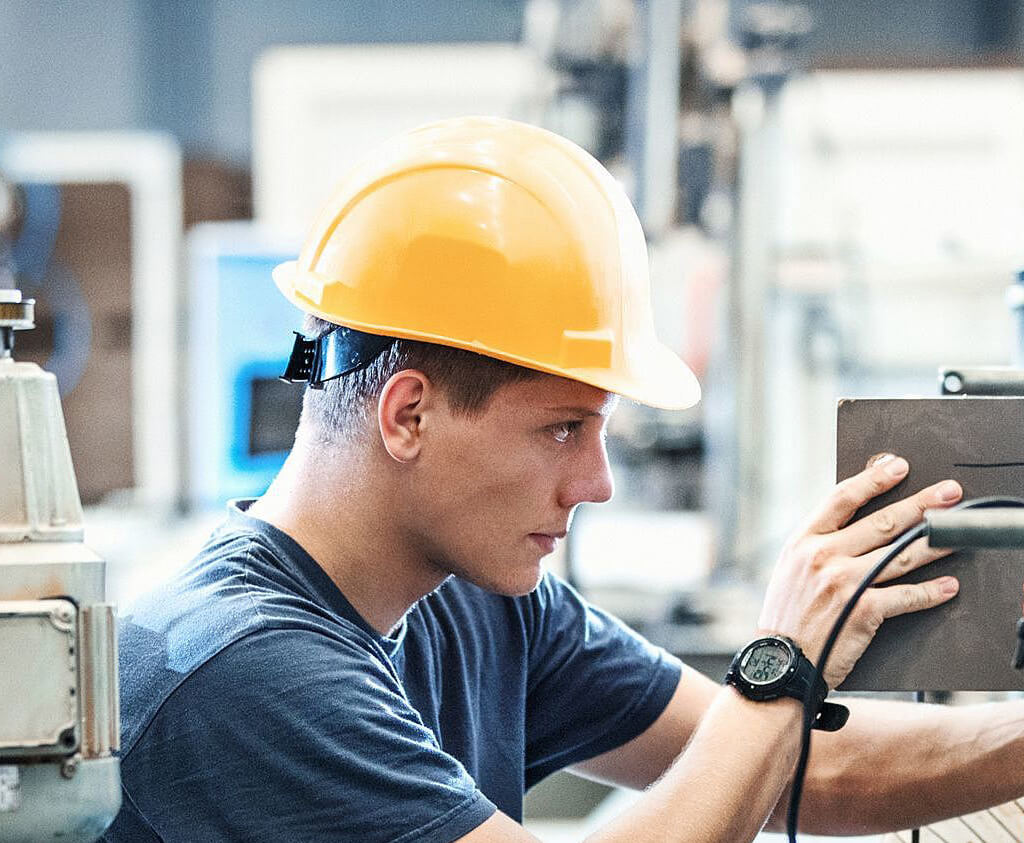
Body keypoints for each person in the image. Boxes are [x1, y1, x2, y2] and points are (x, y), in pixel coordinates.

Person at [104, 117, 1024, 843]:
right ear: (408, 414)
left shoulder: (477, 597)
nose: (596, 482)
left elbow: (799, 765)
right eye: (562, 429)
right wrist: (781, 659)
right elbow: (763, 726)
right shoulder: (240, 670)